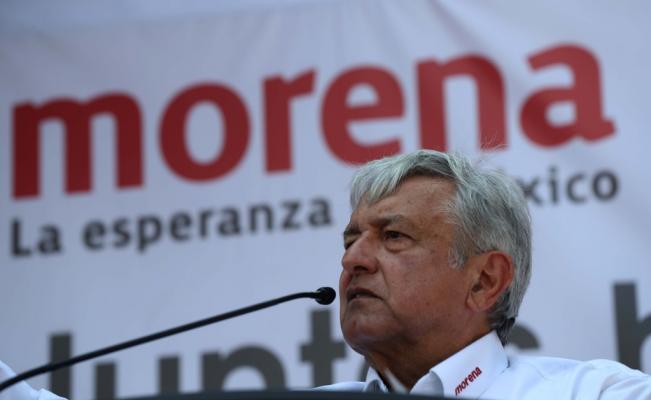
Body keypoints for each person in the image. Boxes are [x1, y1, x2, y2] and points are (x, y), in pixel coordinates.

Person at [319, 150, 651, 399]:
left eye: (394, 236)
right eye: (350, 241)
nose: (352, 259)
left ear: (484, 281)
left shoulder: (593, 392)